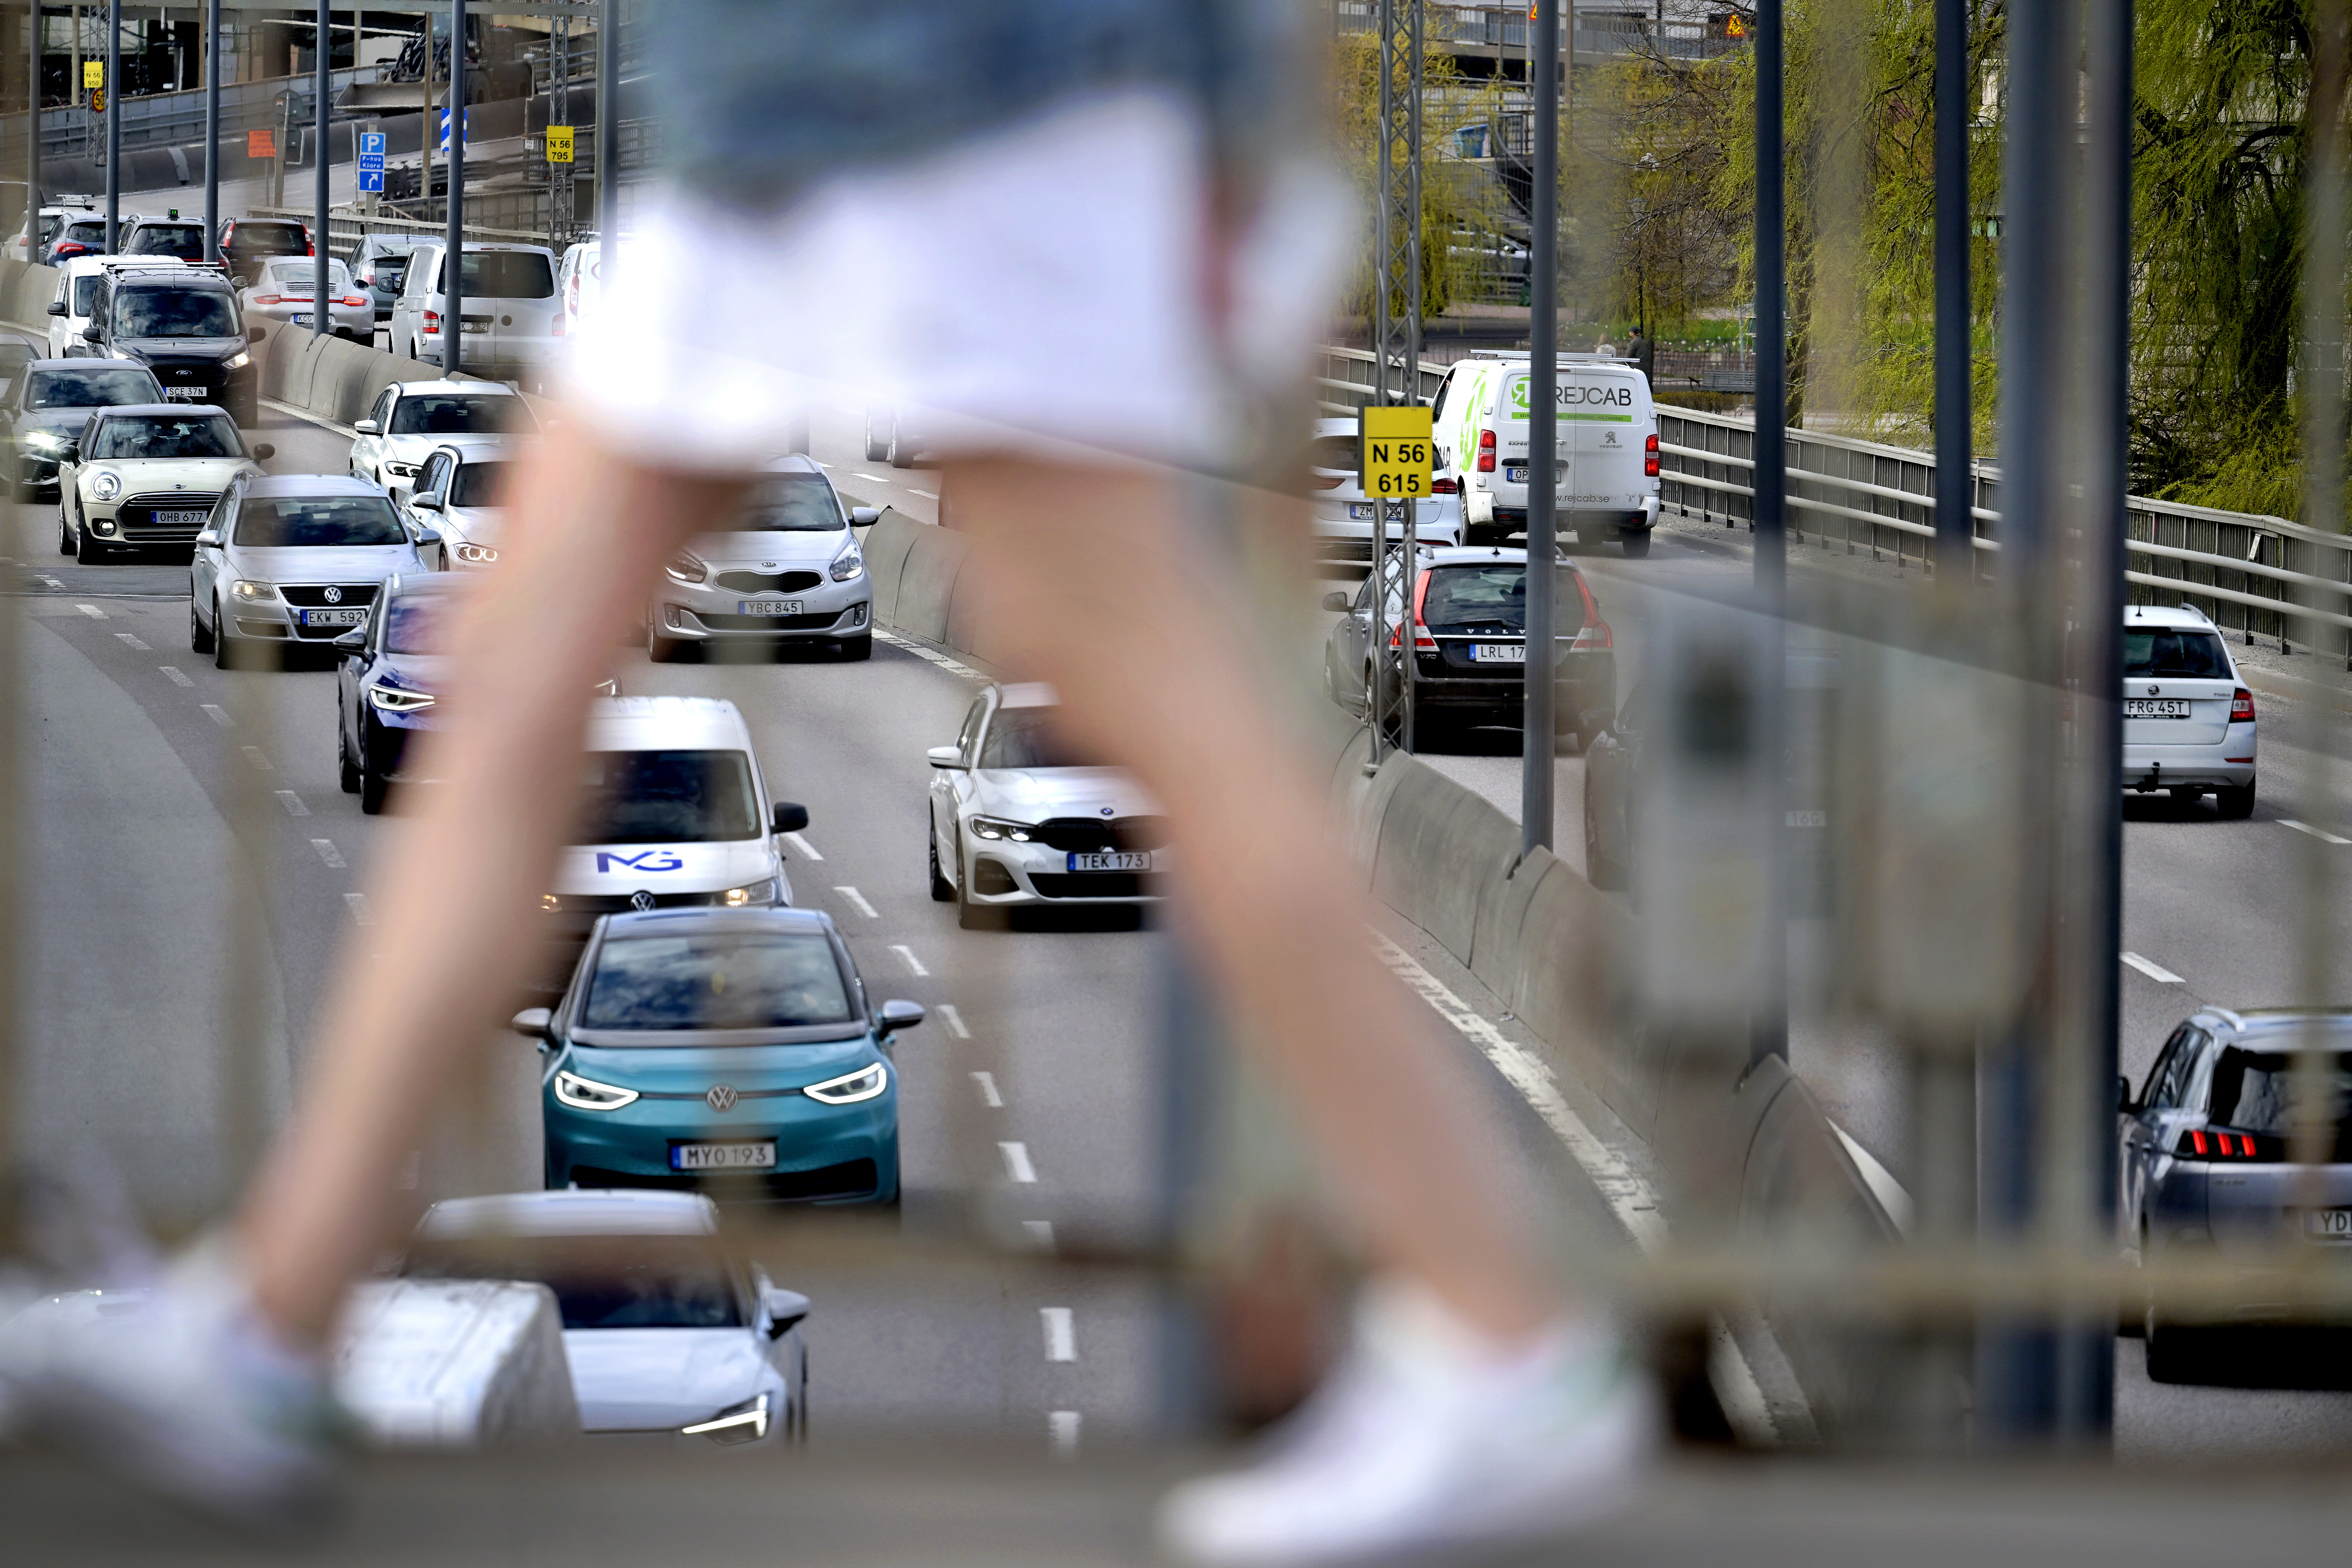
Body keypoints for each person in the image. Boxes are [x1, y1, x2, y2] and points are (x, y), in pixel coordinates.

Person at [0, 2, 1654, 1558]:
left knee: (1151, 688)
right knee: (517, 673)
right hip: (800, 110)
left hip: (946, 98)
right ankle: (269, 1320)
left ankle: (1504, 1331)